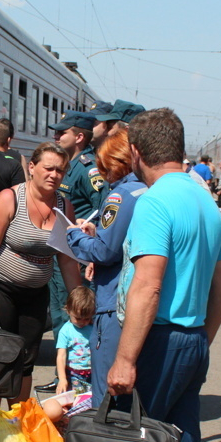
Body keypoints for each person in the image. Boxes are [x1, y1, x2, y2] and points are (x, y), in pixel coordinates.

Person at [32, 107, 221, 442]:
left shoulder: (155, 203)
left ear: (137, 152)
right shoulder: (204, 198)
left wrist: (125, 358)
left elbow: (147, 283)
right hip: (188, 340)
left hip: (154, 341)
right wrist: (202, 337)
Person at [0, 143, 83, 414]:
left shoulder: (64, 207)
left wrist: (78, 299)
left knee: (25, 361)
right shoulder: (9, 199)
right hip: (3, 291)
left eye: (60, 170)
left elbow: (66, 259)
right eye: (48, 168)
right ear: (32, 168)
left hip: (36, 295)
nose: (54, 175)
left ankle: (17, 422)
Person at [63, 128, 147, 407]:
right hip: (140, 298)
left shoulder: (121, 195)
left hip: (113, 300)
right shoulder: (146, 189)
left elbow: (104, 250)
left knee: (106, 386)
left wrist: (73, 234)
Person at [43, 110, 98, 363]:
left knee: (73, 313)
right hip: (60, 252)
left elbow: (103, 210)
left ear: (78, 137)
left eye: (61, 132)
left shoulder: (88, 169)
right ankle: (61, 369)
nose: (55, 135)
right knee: (58, 312)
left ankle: (76, 372)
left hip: (74, 256)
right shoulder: (69, 165)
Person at [55, 286, 96, 396]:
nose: (82, 322)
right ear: (68, 310)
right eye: (78, 318)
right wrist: (62, 379)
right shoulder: (66, 331)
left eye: (87, 318)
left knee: (91, 400)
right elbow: (61, 356)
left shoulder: (93, 328)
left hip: (93, 372)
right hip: (74, 374)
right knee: (76, 400)